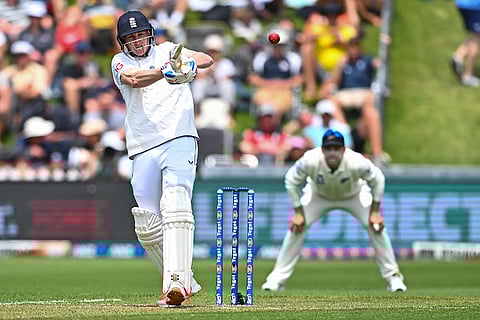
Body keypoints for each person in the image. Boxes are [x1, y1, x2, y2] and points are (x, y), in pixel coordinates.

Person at [111, 10, 213, 306]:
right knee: (147, 224)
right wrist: (164, 73)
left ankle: (177, 284)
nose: (137, 42)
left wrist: (188, 64)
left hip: (179, 136)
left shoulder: (169, 51)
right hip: (142, 145)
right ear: (123, 43)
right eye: (131, 38)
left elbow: (206, 58)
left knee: (176, 203)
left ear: (150, 34)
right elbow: (133, 79)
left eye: (141, 35)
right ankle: (185, 278)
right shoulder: (120, 62)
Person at [261, 129, 407, 293]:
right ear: (322, 149)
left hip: (354, 195)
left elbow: (378, 180)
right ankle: (276, 280)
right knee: (296, 229)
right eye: (328, 148)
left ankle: (393, 278)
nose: (332, 153)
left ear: (343, 150)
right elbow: (290, 181)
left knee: (377, 227)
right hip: (318, 195)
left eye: (336, 149)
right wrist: (298, 213)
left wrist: (374, 212)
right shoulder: (310, 160)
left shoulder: (356, 161)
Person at [451, 0, 480, 87]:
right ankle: (467, 76)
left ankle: (458, 57)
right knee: (476, 39)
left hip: (466, 4)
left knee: (476, 37)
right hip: (473, 6)